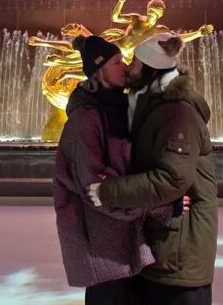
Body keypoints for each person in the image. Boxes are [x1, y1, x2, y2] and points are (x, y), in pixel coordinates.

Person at [87, 33, 218, 305]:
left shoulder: (177, 113)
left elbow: (171, 178)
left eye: (134, 62)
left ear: (149, 69)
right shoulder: (152, 104)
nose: (130, 68)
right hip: (161, 245)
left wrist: (109, 191)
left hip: (179, 254)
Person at [54, 35, 171, 305]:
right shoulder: (85, 120)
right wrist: (160, 206)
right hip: (102, 246)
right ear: (100, 71)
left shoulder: (117, 110)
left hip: (126, 241)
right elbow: (97, 191)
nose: (126, 66)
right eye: (117, 62)